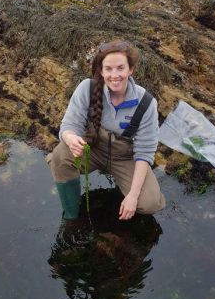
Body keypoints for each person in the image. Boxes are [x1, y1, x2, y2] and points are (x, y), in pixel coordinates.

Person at [47, 39, 166, 222]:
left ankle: (125, 189)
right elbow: (69, 125)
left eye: (120, 68)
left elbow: (145, 151)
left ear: (131, 69)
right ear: (101, 71)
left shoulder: (146, 103)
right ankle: (71, 215)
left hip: (125, 157)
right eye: (108, 69)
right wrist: (71, 138)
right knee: (60, 156)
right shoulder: (87, 88)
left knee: (149, 203)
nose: (114, 75)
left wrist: (133, 196)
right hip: (93, 147)